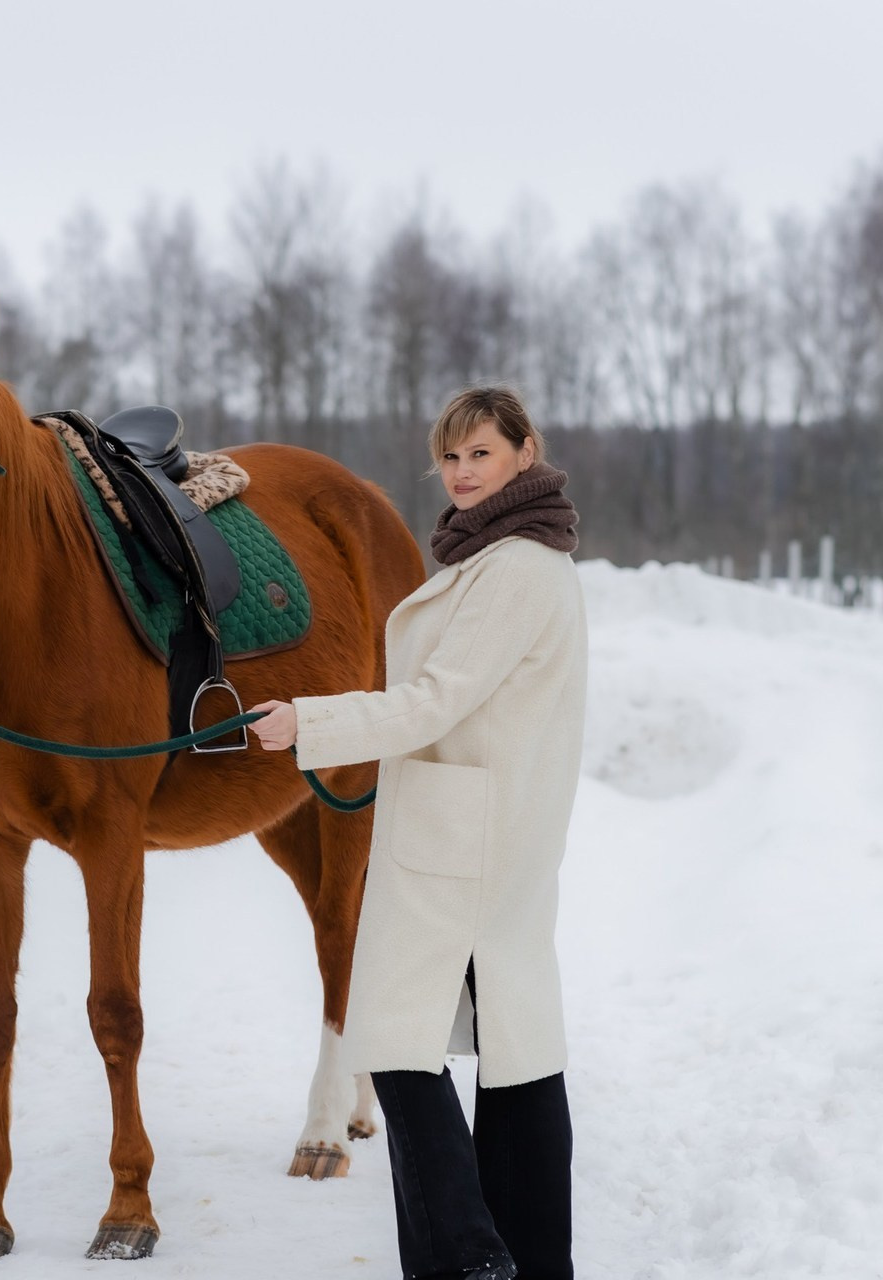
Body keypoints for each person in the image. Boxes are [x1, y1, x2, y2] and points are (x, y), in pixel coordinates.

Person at [249, 386, 586, 1280]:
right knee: (515, 1061)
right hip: (485, 826)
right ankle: (529, 1257)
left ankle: (468, 1254)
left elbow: (433, 701)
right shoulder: (512, 558)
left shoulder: (514, 568)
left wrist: (307, 723)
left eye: (481, 453)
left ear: (523, 453)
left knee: (395, 1043)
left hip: (465, 840)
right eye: (450, 456)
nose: (463, 472)